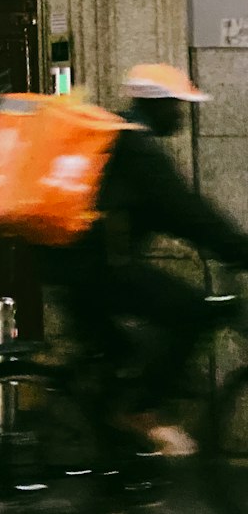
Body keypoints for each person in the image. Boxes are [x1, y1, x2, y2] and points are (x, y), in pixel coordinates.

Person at [35, 62, 248, 458]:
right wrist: (239, 250)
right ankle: (143, 410)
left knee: (116, 361)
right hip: (99, 272)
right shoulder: (137, 147)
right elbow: (186, 211)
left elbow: (166, 213)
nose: (181, 115)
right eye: (177, 106)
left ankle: (118, 474)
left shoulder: (112, 137)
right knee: (192, 313)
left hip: (66, 267)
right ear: (159, 104)